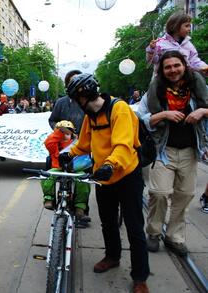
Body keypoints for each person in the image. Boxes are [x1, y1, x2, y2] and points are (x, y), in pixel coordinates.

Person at [59, 73, 150, 293]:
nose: (76, 104)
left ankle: (140, 277)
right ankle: (112, 256)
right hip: (104, 177)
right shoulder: (91, 116)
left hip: (127, 174)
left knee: (134, 226)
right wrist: (68, 154)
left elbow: (123, 144)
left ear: (85, 94)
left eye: (76, 99)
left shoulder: (119, 109)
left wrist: (110, 164)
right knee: (108, 222)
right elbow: (82, 145)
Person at [138, 50, 208, 256]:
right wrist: (163, 114)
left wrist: (203, 111)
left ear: (184, 65)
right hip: (163, 151)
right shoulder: (155, 89)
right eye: (167, 67)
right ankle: (153, 232)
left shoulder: (197, 87)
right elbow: (142, 119)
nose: (172, 70)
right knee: (159, 194)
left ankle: (174, 237)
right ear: (162, 70)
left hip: (189, 151)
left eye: (176, 65)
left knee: (185, 195)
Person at [41, 121, 90, 226]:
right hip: (58, 169)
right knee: (47, 175)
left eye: (68, 133)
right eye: (62, 133)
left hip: (75, 170)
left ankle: (80, 207)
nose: (65, 135)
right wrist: (60, 132)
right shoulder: (54, 144)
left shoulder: (77, 143)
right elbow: (48, 142)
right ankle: (49, 198)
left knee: (83, 181)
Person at [48, 70, 85, 134]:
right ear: (68, 85)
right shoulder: (60, 102)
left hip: (86, 140)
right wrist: (60, 129)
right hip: (65, 141)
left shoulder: (89, 101)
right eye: (73, 82)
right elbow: (52, 120)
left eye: (78, 81)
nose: (76, 84)